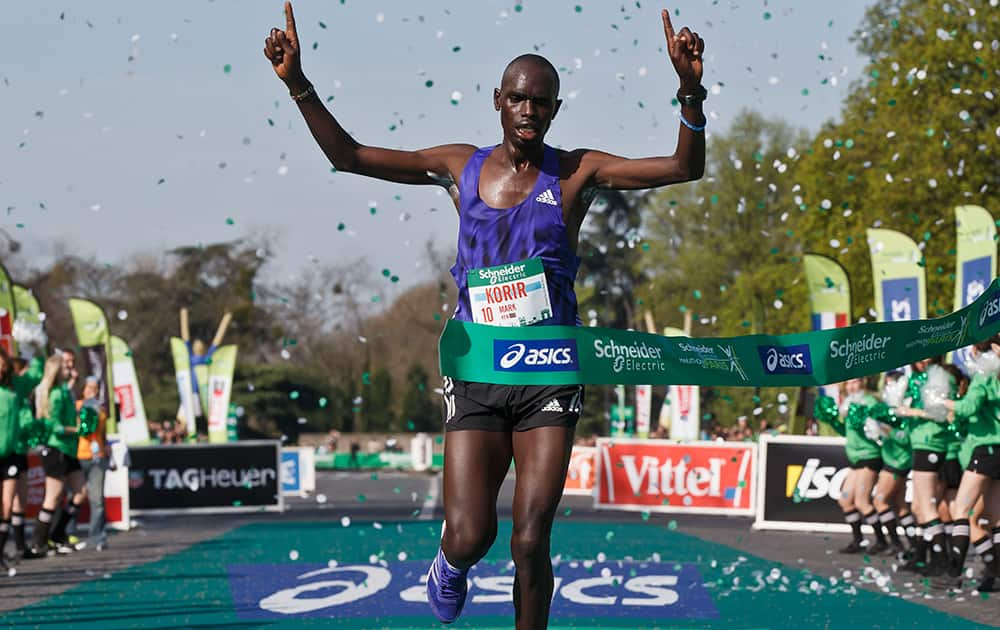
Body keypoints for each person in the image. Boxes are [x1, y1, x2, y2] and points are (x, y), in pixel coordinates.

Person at [264, 3, 706, 627]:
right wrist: (299, 86)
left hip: (549, 374)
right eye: (520, 99)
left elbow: (685, 167)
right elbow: (352, 156)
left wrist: (689, 89)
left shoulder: (577, 172)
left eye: (543, 102)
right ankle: (450, 561)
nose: (530, 111)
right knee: (472, 535)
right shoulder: (458, 167)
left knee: (530, 539)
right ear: (498, 101)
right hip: (476, 370)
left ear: (556, 109)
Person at [24, 354, 87, 558]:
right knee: (53, 497)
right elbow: (55, 426)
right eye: (64, 366)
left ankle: (58, 534)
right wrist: (77, 430)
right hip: (56, 448)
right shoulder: (54, 394)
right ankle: (38, 541)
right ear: (56, 370)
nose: (69, 367)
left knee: (80, 492)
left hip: (68, 449)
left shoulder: (63, 391)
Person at [0, 349, 43, 570]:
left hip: (13, 454)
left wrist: (31, 348)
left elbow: (36, 376)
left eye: (3, 365)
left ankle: (4, 551)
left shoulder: (15, 386)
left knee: (8, 504)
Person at [77, 376, 113, 551]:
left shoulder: (101, 409)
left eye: (95, 388)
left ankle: (98, 537)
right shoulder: (76, 406)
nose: (92, 390)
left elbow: (103, 433)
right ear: (83, 389)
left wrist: (106, 447)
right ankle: (67, 535)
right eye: (89, 387)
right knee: (75, 497)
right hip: (78, 455)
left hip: (97, 457)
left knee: (97, 499)